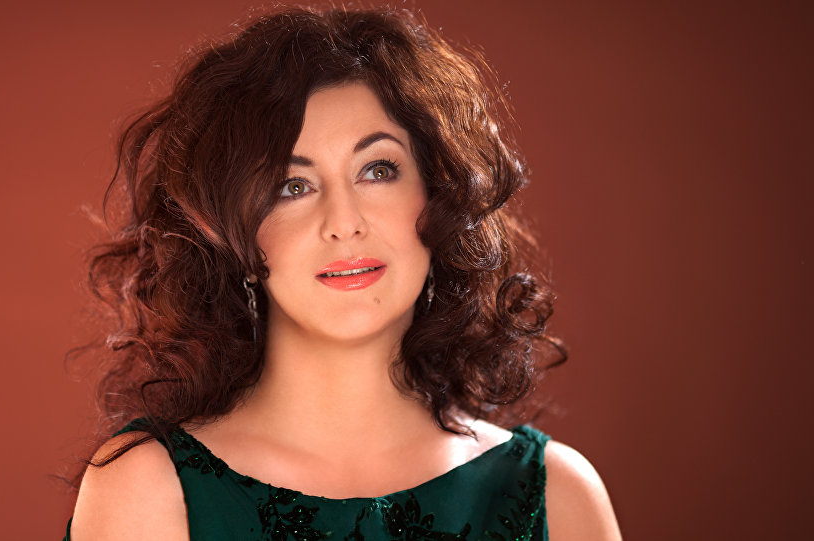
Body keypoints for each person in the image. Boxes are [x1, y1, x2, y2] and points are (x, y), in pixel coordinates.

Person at [64, 5, 621, 540]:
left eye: (377, 170)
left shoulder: (556, 496)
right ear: (231, 233)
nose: (345, 223)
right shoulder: (144, 487)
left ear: (439, 198)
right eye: (292, 186)